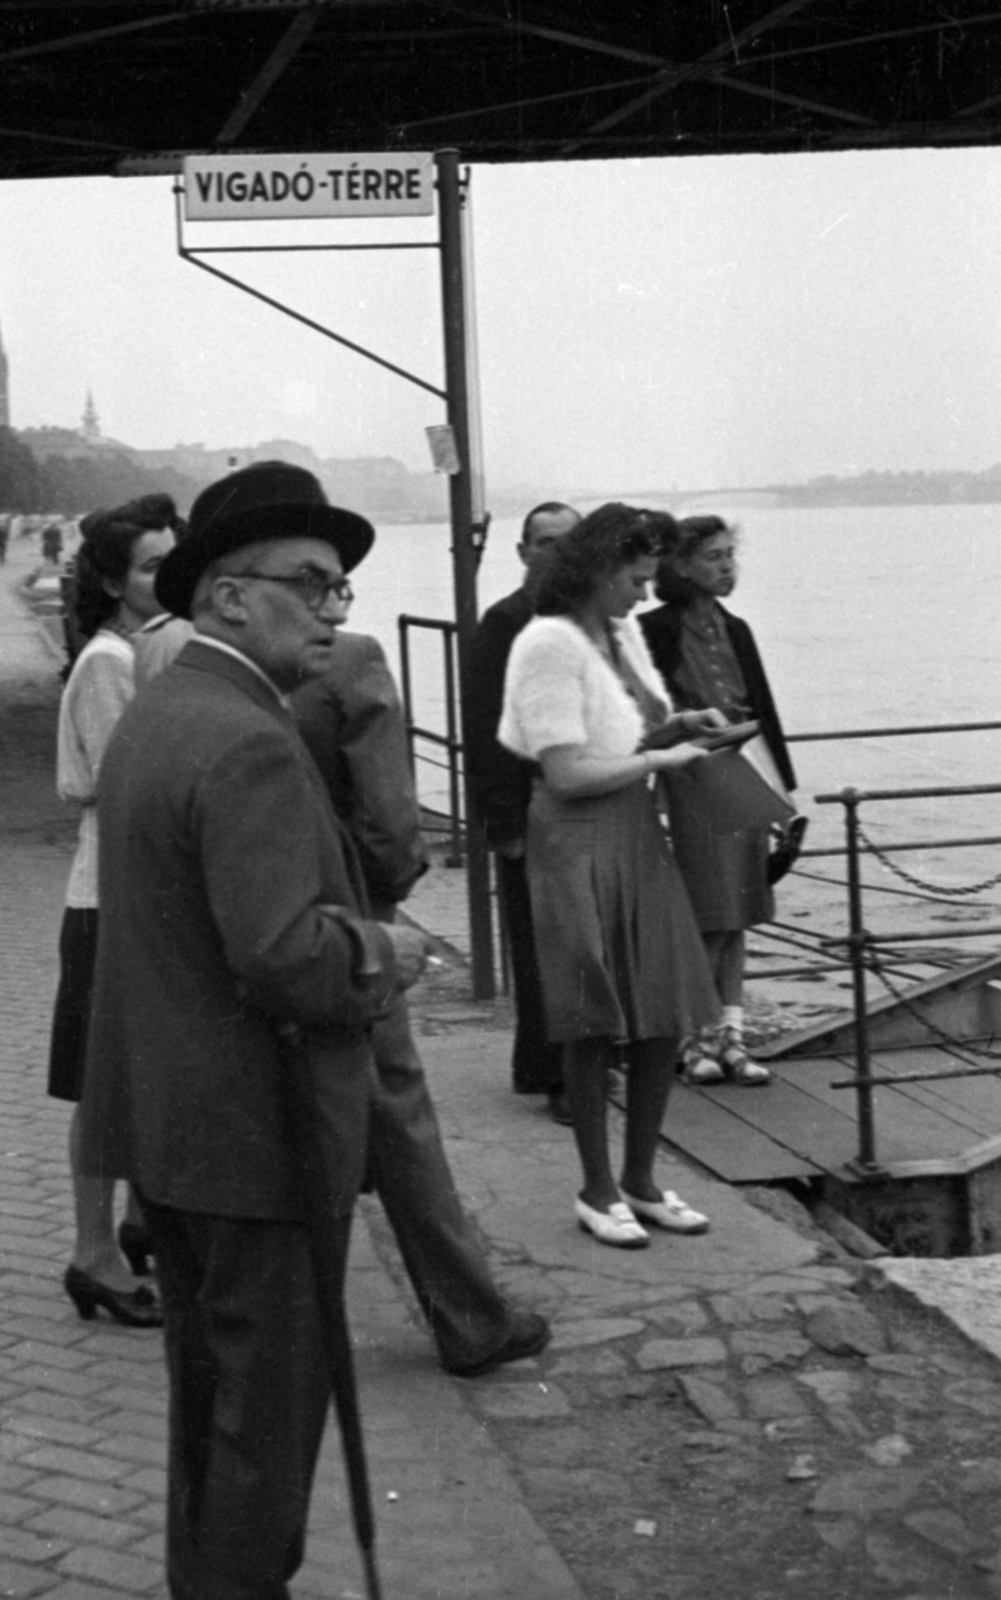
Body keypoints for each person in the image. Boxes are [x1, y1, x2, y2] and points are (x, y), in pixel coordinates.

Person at [79, 461, 430, 1600]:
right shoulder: (250, 739)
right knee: (265, 1435)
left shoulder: (162, 712)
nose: (337, 612)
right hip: (259, 1141)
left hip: (175, 1134)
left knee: (210, 1407)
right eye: (316, 586)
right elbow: (284, 957)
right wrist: (393, 953)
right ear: (230, 596)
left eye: (342, 593)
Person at [290, 629, 551, 1377]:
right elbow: (389, 813)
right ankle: (470, 1316)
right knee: (395, 1104)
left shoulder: (184, 660)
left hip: (256, 913)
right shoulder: (348, 659)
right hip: (348, 911)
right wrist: (389, 885)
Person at [498, 504, 722, 1248]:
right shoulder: (545, 644)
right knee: (592, 1014)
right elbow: (563, 771)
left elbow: (623, 736)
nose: (644, 593)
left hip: (630, 827)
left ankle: (641, 1177)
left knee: (656, 1007)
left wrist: (678, 730)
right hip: (574, 836)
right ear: (595, 570)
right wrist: (660, 761)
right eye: (634, 578)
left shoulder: (620, 632)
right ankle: (595, 1187)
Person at [49, 506, 176, 1328]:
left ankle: (138, 1221)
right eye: (147, 568)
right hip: (108, 898)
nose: (164, 579)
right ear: (110, 582)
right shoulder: (107, 662)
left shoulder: (143, 650)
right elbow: (124, 781)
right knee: (102, 1088)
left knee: (141, 1074)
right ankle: (92, 1255)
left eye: (173, 561)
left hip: (141, 893)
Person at [640, 514, 797, 1086]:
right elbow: (644, 715)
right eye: (713, 556)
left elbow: (764, 712)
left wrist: (784, 794)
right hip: (689, 782)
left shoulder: (739, 629)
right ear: (679, 565)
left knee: (738, 917)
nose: (728, 565)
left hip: (744, 777)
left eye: (731, 554)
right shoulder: (653, 629)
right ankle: (693, 1036)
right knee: (705, 916)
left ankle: (731, 1035)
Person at [462, 502, 580, 1122]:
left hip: (587, 804)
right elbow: (484, 729)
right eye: (544, 542)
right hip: (532, 808)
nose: (556, 553)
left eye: (568, 541)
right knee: (540, 951)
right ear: (523, 550)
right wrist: (502, 823)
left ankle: (589, 1063)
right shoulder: (505, 622)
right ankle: (553, 1074)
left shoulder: (589, 619)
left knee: (589, 944)